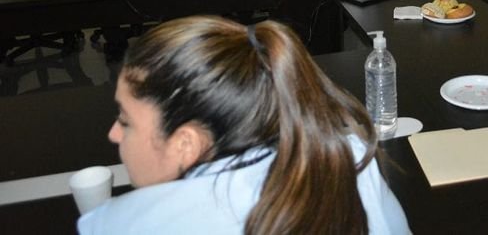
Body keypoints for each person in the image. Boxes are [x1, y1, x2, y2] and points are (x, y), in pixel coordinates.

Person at [77, 16, 410, 234]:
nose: (114, 133)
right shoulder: (346, 155)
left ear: (186, 144)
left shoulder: (122, 225)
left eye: (125, 120)